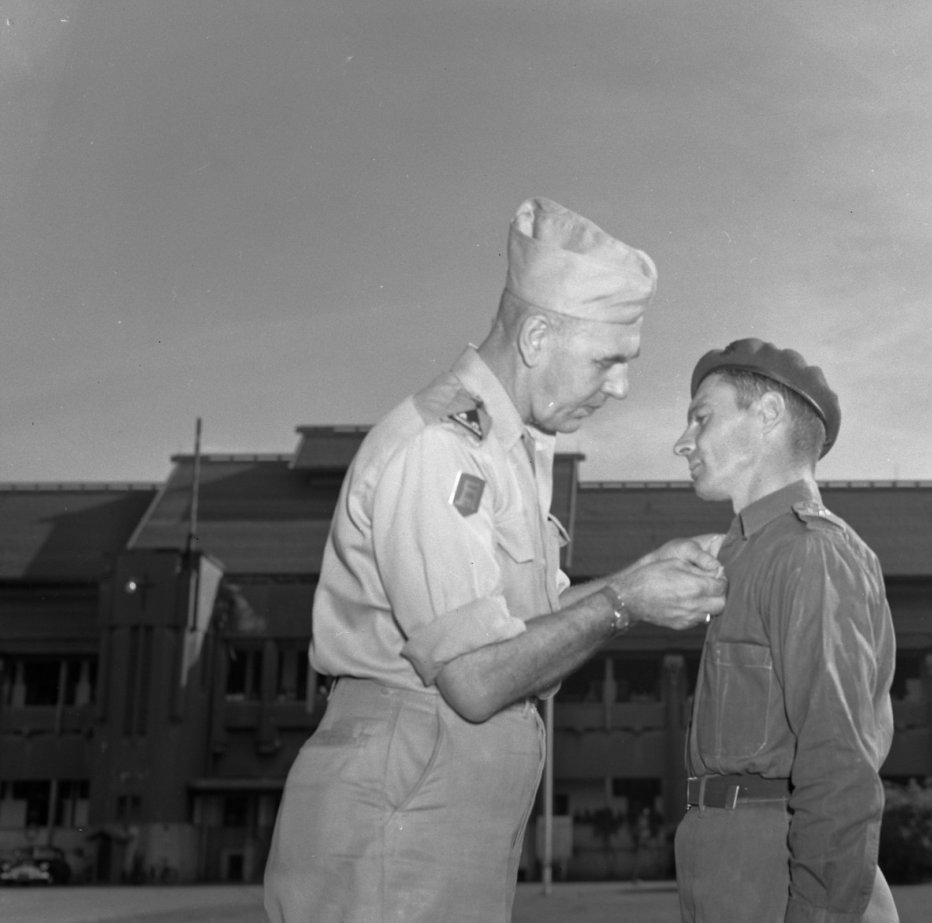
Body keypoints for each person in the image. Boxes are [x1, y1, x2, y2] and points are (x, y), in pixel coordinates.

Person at [263, 197, 727, 922]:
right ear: (538, 336)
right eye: (608, 360)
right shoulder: (442, 448)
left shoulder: (506, 452)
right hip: (403, 800)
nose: (621, 387)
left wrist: (641, 575)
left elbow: (523, 626)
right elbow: (476, 680)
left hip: (432, 801)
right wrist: (626, 603)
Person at [672, 338, 898, 922]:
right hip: (730, 856)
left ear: (768, 413)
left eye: (702, 417)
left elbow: (839, 763)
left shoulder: (808, 552)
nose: (683, 442)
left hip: (776, 855)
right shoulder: (749, 554)